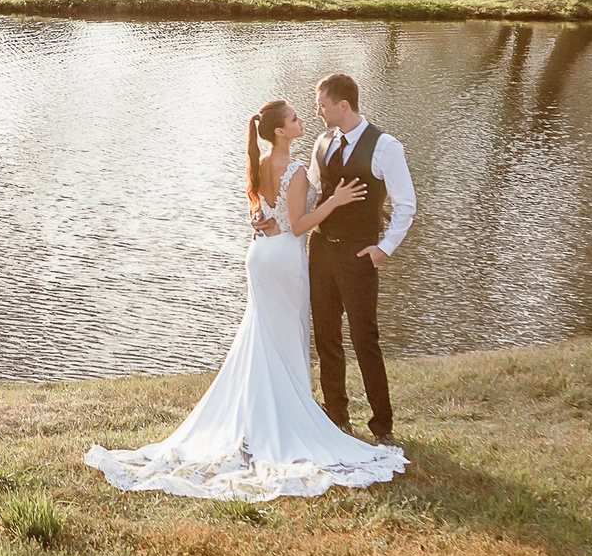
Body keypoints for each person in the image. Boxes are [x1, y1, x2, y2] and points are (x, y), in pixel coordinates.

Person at [82, 97, 406, 501]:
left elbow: (266, 216)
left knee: (262, 336)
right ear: (280, 132)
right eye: (293, 118)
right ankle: (285, 418)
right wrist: (336, 202)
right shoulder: (296, 170)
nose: (301, 119)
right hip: (284, 258)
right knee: (284, 336)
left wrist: (270, 219)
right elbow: (298, 225)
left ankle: (262, 414)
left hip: (261, 254)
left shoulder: (259, 164)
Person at [307, 70, 415, 442]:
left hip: (359, 254)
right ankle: (335, 414)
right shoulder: (321, 142)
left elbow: (406, 206)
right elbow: (312, 194)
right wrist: (273, 217)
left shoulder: (386, 147)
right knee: (325, 336)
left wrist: (384, 249)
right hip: (319, 250)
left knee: (364, 338)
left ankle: (382, 425)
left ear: (343, 105)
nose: (317, 111)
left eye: (322, 104)